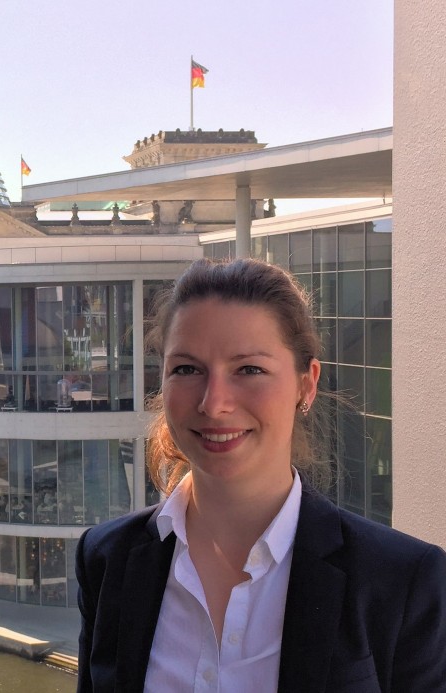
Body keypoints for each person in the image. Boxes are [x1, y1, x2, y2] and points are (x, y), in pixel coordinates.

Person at [76, 257, 446, 692]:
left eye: (249, 369)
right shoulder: (106, 559)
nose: (214, 404)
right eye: (187, 369)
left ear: (306, 384)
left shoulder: (402, 580)